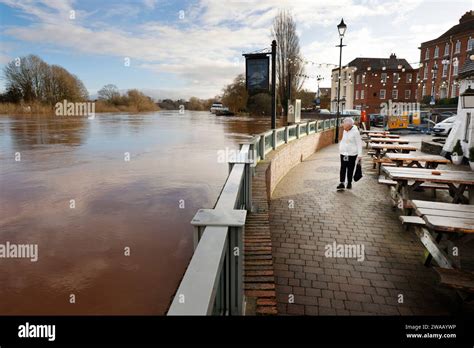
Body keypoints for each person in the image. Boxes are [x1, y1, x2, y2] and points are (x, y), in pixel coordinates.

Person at [337, 117, 363, 191]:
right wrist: (341, 147)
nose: (343, 127)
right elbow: (343, 140)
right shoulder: (345, 130)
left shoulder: (355, 132)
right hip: (344, 153)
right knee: (343, 168)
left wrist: (360, 155)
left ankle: (349, 183)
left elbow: (359, 144)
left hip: (352, 154)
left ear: (349, 125)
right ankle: (342, 183)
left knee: (350, 168)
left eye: (344, 126)